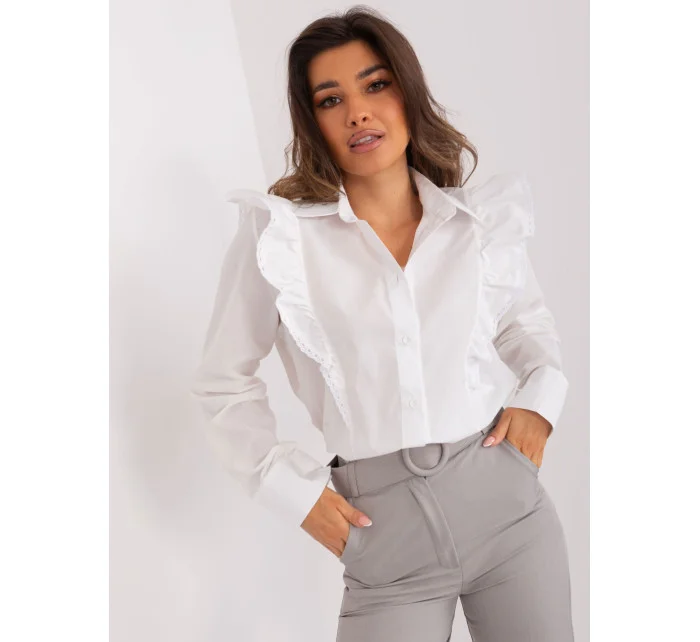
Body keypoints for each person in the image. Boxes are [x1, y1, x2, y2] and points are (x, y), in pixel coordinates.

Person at [190, 6, 575, 641]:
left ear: (407, 91)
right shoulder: (280, 238)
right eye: (330, 99)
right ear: (311, 120)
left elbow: (524, 323)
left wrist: (540, 401)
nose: (357, 113)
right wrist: (294, 493)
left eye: (375, 85)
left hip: (510, 517)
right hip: (385, 544)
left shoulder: (475, 224)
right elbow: (222, 382)